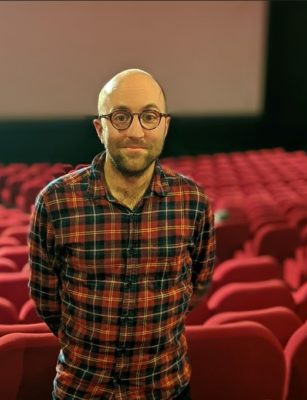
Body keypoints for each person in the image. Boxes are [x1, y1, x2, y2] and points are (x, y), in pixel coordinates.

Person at [28, 68, 216, 400]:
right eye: (120, 117)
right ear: (100, 128)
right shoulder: (55, 202)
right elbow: (47, 299)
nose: (135, 131)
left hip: (166, 387)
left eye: (149, 116)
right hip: (83, 389)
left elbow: (197, 285)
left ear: (165, 126)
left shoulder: (193, 201)